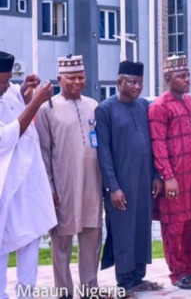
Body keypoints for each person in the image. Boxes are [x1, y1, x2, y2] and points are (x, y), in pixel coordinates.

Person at [36, 55, 104, 298]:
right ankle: (64, 291)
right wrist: (50, 188)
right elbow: (43, 153)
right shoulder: (47, 108)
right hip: (63, 185)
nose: (77, 81)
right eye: (72, 77)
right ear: (59, 79)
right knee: (61, 241)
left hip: (91, 184)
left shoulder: (93, 105)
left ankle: (89, 288)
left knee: (91, 236)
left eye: (81, 76)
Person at [96, 61, 164, 297]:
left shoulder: (144, 105)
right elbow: (103, 152)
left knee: (142, 229)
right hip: (121, 183)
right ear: (119, 82)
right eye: (133, 82)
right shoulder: (105, 109)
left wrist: (156, 175)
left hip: (144, 181)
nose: (137, 87)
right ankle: (124, 283)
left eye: (140, 83)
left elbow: (154, 143)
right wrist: (113, 187)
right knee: (124, 231)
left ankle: (137, 278)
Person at [0, 52, 56, 299]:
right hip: (5, 189)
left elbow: (15, 103)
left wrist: (25, 91)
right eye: (2, 81)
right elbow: (5, 138)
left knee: (30, 237)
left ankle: (26, 295)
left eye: (9, 80)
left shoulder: (7, 90)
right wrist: (36, 102)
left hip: (26, 186)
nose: (6, 86)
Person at [149, 56, 191, 290]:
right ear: (167, 79)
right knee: (174, 226)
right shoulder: (159, 107)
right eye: (181, 77)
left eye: (188, 75)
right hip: (174, 177)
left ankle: (190, 266)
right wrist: (167, 177)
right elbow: (158, 143)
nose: (187, 80)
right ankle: (177, 272)